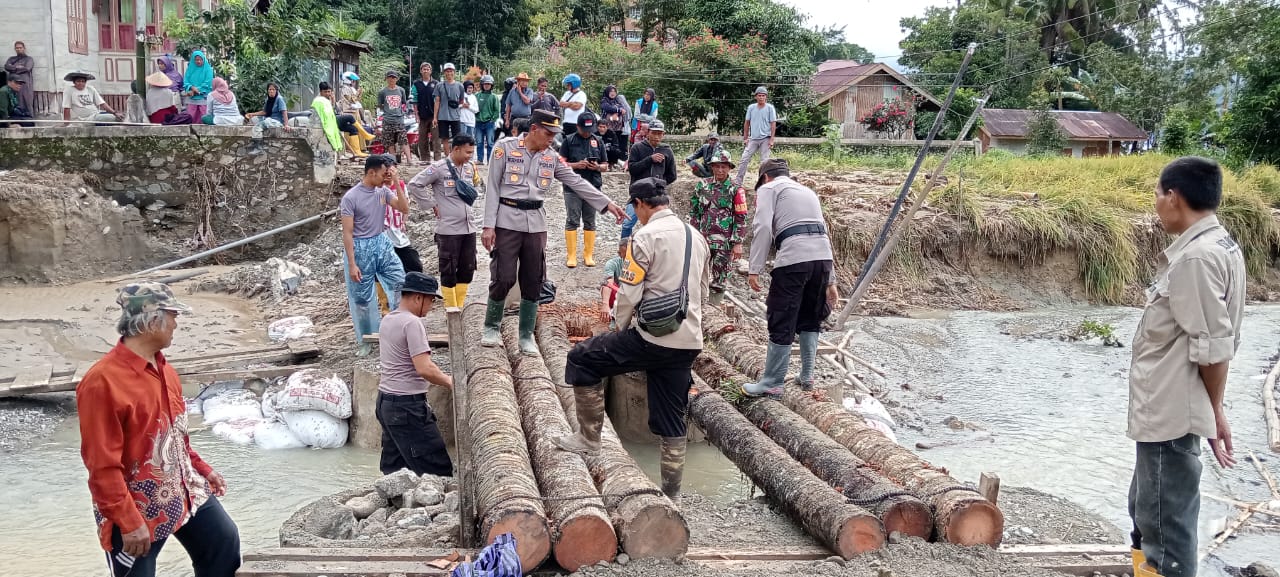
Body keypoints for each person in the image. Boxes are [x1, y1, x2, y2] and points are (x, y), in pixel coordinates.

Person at [555, 177, 710, 499]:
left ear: (640, 204)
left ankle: (589, 437)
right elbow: (703, 291)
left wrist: (619, 329)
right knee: (671, 417)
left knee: (582, 358)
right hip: (688, 341)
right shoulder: (696, 236)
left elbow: (628, 293)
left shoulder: (645, 236)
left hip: (652, 338)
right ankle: (672, 494)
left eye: (634, 208)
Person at [1126, 157, 1244, 577]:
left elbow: (1213, 349)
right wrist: (1215, 410)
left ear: (1173, 198)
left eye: (1158, 195)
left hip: (1171, 414)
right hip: (1166, 411)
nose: (1156, 204)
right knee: (1146, 513)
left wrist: (1215, 412)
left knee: (1164, 530)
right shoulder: (1219, 245)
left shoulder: (1197, 258)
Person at [78, 283, 241, 577]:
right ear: (152, 320)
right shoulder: (102, 382)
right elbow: (101, 465)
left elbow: (176, 435)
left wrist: (203, 469)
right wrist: (128, 521)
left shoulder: (166, 370)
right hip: (136, 507)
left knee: (223, 542)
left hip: (183, 489)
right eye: (172, 315)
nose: (176, 323)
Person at [481, 110, 625, 354]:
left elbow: (576, 182)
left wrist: (607, 204)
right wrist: (488, 226)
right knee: (503, 276)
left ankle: (526, 335)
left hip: (536, 223)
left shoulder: (551, 157)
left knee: (533, 279)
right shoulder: (504, 148)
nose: (552, 139)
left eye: (555, 135)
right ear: (534, 129)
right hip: (506, 219)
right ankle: (491, 325)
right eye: (548, 134)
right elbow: (492, 188)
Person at [742, 159, 836, 397]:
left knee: (781, 316)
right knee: (810, 316)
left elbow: (762, 227)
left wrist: (755, 268)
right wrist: (831, 280)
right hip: (822, 259)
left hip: (795, 258)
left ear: (764, 177)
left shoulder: (768, 189)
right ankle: (807, 375)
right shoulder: (807, 191)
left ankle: (772, 382)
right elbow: (823, 230)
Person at [375, 271, 454, 476]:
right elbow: (424, 368)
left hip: (385, 403)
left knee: (395, 467)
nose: (431, 307)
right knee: (437, 468)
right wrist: (451, 382)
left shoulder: (388, 320)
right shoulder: (412, 323)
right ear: (418, 297)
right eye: (430, 301)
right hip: (406, 407)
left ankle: (395, 503)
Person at [341, 154, 410, 355]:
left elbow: (404, 208)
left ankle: (399, 332)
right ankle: (366, 339)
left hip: (381, 242)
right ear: (371, 173)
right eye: (383, 174)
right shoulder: (351, 197)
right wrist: (352, 264)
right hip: (360, 247)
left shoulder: (383, 192)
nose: (385, 177)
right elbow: (347, 232)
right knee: (361, 298)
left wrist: (396, 181)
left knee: (399, 282)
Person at [408, 134, 481, 310]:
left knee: (468, 268)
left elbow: (475, 187)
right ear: (455, 149)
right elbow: (414, 184)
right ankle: (451, 308)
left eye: (472, 152)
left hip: (468, 227)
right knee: (448, 269)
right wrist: (431, 204)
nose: (470, 156)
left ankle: (460, 305)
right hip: (448, 230)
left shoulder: (470, 168)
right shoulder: (439, 168)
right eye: (467, 152)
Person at [690, 150, 748, 305]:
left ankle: (714, 308)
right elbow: (695, 211)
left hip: (725, 242)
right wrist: (693, 234)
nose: (720, 170)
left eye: (724, 167)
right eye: (717, 167)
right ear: (712, 167)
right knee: (696, 273)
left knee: (720, 278)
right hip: (702, 239)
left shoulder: (736, 189)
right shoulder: (702, 185)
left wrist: (738, 242)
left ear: (729, 168)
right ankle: (697, 305)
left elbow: (741, 217)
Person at [559, 111, 607, 269]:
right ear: (577, 126)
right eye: (584, 130)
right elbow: (560, 163)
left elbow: (605, 165)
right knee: (572, 219)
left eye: (590, 130)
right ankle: (571, 255)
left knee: (590, 220)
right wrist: (576, 165)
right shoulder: (569, 140)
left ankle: (588, 255)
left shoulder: (598, 141)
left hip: (593, 186)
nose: (587, 133)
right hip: (572, 186)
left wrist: (597, 167)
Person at [736, 86, 777, 185]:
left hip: (765, 138)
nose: (761, 97)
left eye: (763, 96)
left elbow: (773, 124)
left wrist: (772, 139)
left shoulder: (770, 108)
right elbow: (747, 123)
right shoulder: (751, 108)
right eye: (759, 95)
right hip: (753, 138)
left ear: (766, 97)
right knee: (744, 158)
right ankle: (738, 181)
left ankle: (763, 183)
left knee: (764, 162)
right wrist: (745, 138)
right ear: (756, 97)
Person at [313, 82, 361, 160]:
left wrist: (333, 101)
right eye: (325, 92)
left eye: (329, 91)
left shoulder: (328, 99)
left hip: (333, 119)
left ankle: (356, 151)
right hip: (326, 122)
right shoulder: (319, 100)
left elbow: (335, 111)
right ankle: (365, 135)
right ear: (321, 91)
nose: (328, 93)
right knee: (350, 117)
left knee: (353, 129)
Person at [627, 119, 676, 185]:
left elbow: (672, 175)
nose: (656, 137)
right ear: (648, 133)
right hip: (639, 189)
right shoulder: (637, 147)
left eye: (659, 134)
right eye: (653, 133)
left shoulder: (667, 150)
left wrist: (660, 183)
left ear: (663, 135)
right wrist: (650, 159)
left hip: (658, 191)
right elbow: (632, 170)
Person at [410, 62, 442, 163]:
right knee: (422, 139)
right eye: (424, 69)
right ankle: (425, 159)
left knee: (436, 139)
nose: (426, 70)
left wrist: (436, 117)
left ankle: (438, 160)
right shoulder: (416, 84)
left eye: (428, 69)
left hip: (434, 116)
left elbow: (438, 100)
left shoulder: (436, 83)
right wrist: (416, 115)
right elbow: (414, 101)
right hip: (422, 116)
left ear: (431, 71)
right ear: (421, 71)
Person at [378, 70, 411, 164]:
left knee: (403, 139)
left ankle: (409, 159)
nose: (392, 79)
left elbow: (404, 103)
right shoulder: (383, 92)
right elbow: (380, 105)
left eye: (394, 77)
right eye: (390, 77)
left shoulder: (401, 90)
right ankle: (393, 161)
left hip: (399, 119)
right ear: (386, 79)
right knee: (389, 141)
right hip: (387, 119)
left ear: (397, 79)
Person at [434, 63, 465, 156]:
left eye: (451, 71)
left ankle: (455, 155)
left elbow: (461, 101)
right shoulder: (439, 85)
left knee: (457, 138)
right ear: (444, 73)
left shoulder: (460, 86)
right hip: (442, 116)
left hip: (455, 116)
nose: (449, 73)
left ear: (454, 72)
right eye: (447, 71)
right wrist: (435, 117)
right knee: (444, 138)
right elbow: (437, 101)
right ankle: (448, 157)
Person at [598, 240, 629, 326]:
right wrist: (605, 304)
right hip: (619, 295)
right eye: (622, 253)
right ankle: (614, 315)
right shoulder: (612, 263)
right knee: (608, 285)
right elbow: (608, 283)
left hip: (635, 294)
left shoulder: (642, 263)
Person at [600, 85, 629, 169]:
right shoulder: (604, 100)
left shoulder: (617, 100)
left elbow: (623, 109)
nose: (613, 93)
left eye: (614, 92)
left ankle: (615, 163)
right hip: (608, 127)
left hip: (618, 127)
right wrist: (618, 110)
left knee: (617, 146)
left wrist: (617, 112)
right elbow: (607, 108)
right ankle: (607, 162)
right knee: (608, 145)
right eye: (611, 92)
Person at [475, 75, 500, 164]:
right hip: (478, 122)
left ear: (491, 85)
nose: (487, 85)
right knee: (479, 142)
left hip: (489, 122)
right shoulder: (477, 95)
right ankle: (480, 159)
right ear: (482, 84)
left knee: (490, 142)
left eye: (489, 84)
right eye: (485, 84)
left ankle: (490, 160)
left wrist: (493, 119)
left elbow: (497, 110)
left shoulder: (494, 97)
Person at [5, 41, 35, 116]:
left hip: (25, 85)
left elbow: (27, 68)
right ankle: (15, 120)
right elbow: (6, 67)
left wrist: (13, 68)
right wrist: (17, 67)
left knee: (26, 101)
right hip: (12, 84)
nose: (18, 49)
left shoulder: (29, 59)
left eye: (20, 48)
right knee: (14, 101)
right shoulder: (12, 59)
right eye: (17, 48)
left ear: (24, 48)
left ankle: (29, 120)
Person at [182, 50, 213, 120]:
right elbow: (186, 81)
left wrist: (196, 90)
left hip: (203, 97)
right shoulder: (190, 69)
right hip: (191, 97)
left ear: (203, 59)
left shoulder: (208, 69)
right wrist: (191, 88)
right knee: (190, 117)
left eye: (200, 59)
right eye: (196, 60)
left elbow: (208, 83)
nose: (198, 61)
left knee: (204, 117)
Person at [504, 72, 534, 137]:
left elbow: (527, 101)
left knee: (524, 139)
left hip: (525, 119)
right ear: (518, 81)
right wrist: (507, 120)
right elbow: (508, 105)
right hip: (514, 119)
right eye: (522, 80)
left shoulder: (529, 91)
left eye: (526, 81)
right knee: (513, 138)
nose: (524, 83)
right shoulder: (512, 91)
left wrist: (520, 92)